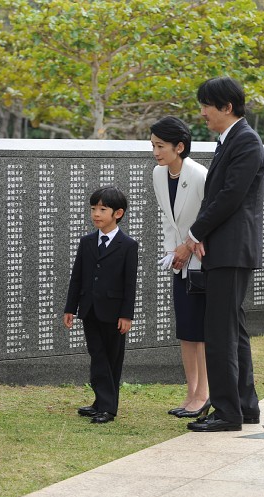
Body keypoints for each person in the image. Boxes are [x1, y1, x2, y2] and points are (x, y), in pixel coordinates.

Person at [185, 77, 264, 432]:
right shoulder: (230, 140)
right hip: (227, 248)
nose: (201, 112)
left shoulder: (245, 141)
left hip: (232, 250)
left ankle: (227, 412)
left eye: (205, 105)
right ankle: (244, 407)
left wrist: (194, 233)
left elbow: (229, 197)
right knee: (234, 332)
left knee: (219, 332)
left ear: (226, 107)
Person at [63, 186, 138, 424]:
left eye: (102, 209)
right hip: (89, 310)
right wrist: (70, 308)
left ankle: (107, 407)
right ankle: (101, 403)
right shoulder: (86, 242)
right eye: (93, 208)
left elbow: (130, 283)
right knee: (97, 355)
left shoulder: (128, 245)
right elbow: (77, 277)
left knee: (112, 358)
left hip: (115, 313)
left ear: (118, 213)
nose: (96, 213)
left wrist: (127, 315)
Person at [151, 116, 210, 418]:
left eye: (161, 146)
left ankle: (204, 394)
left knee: (200, 331)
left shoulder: (199, 175)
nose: (156, 152)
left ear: (180, 147)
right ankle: (191, 393)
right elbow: (167, 219)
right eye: (153, 146)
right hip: (178, 262)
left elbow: (209, 218)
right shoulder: (158, 175)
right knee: (186, 331)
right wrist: (171, 253)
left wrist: (189, 247)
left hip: (202, 262)